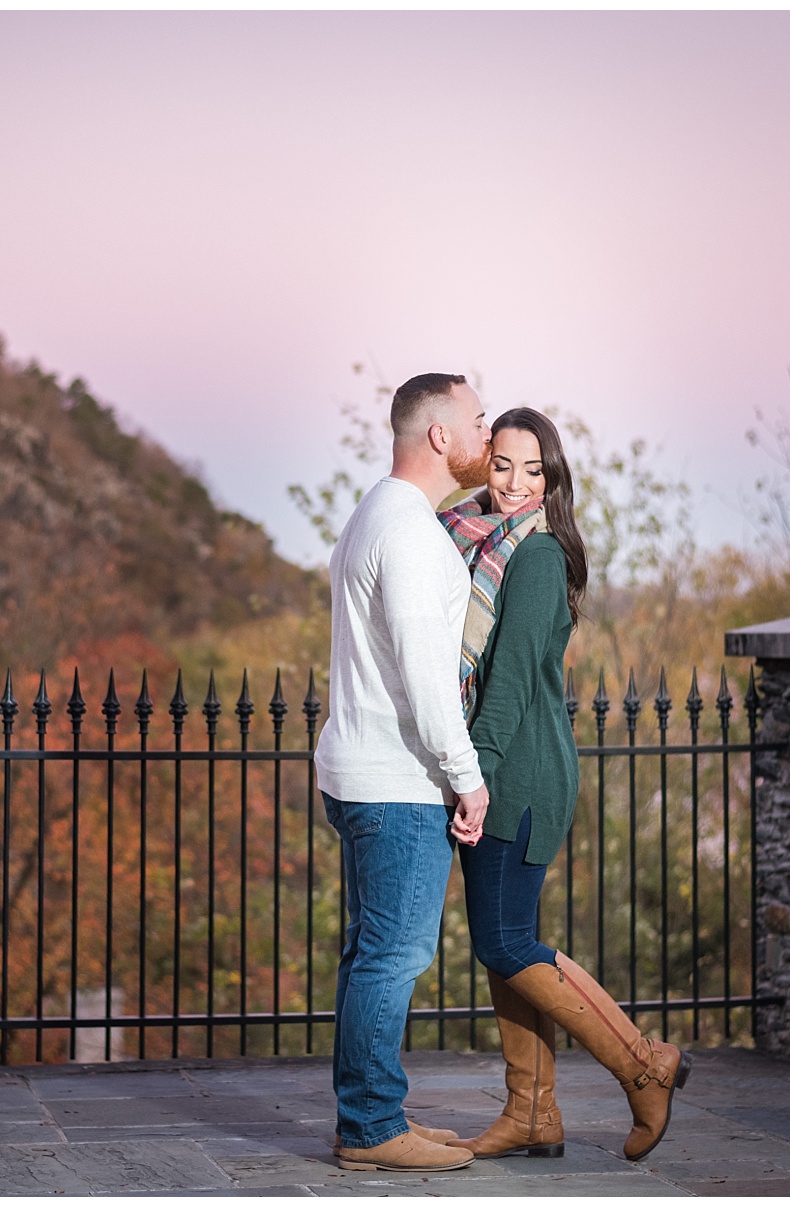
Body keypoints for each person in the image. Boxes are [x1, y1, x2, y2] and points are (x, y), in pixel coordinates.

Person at [439, 407, 690, 1164]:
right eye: (503, 465)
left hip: (519, 772)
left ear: (552, 479)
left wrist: (470, 778)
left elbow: (509, 686)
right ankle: (533, 1112)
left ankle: (645, 1065)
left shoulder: (536, 557)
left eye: (532, 469)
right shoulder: (484, 542)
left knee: (509, 939)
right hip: (505, 767)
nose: (514, 483)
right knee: (501, 943)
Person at [315, 372, 495, 1174]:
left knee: (370, 953)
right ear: (439, 436)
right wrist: (468, 775)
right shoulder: (414, 533)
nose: (487, 436)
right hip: (398, 781)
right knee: (392, 955)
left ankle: (372, 1108)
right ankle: (372, 1126)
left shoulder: (371, 515)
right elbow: (428, 675)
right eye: (479, 420)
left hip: (360, 773)